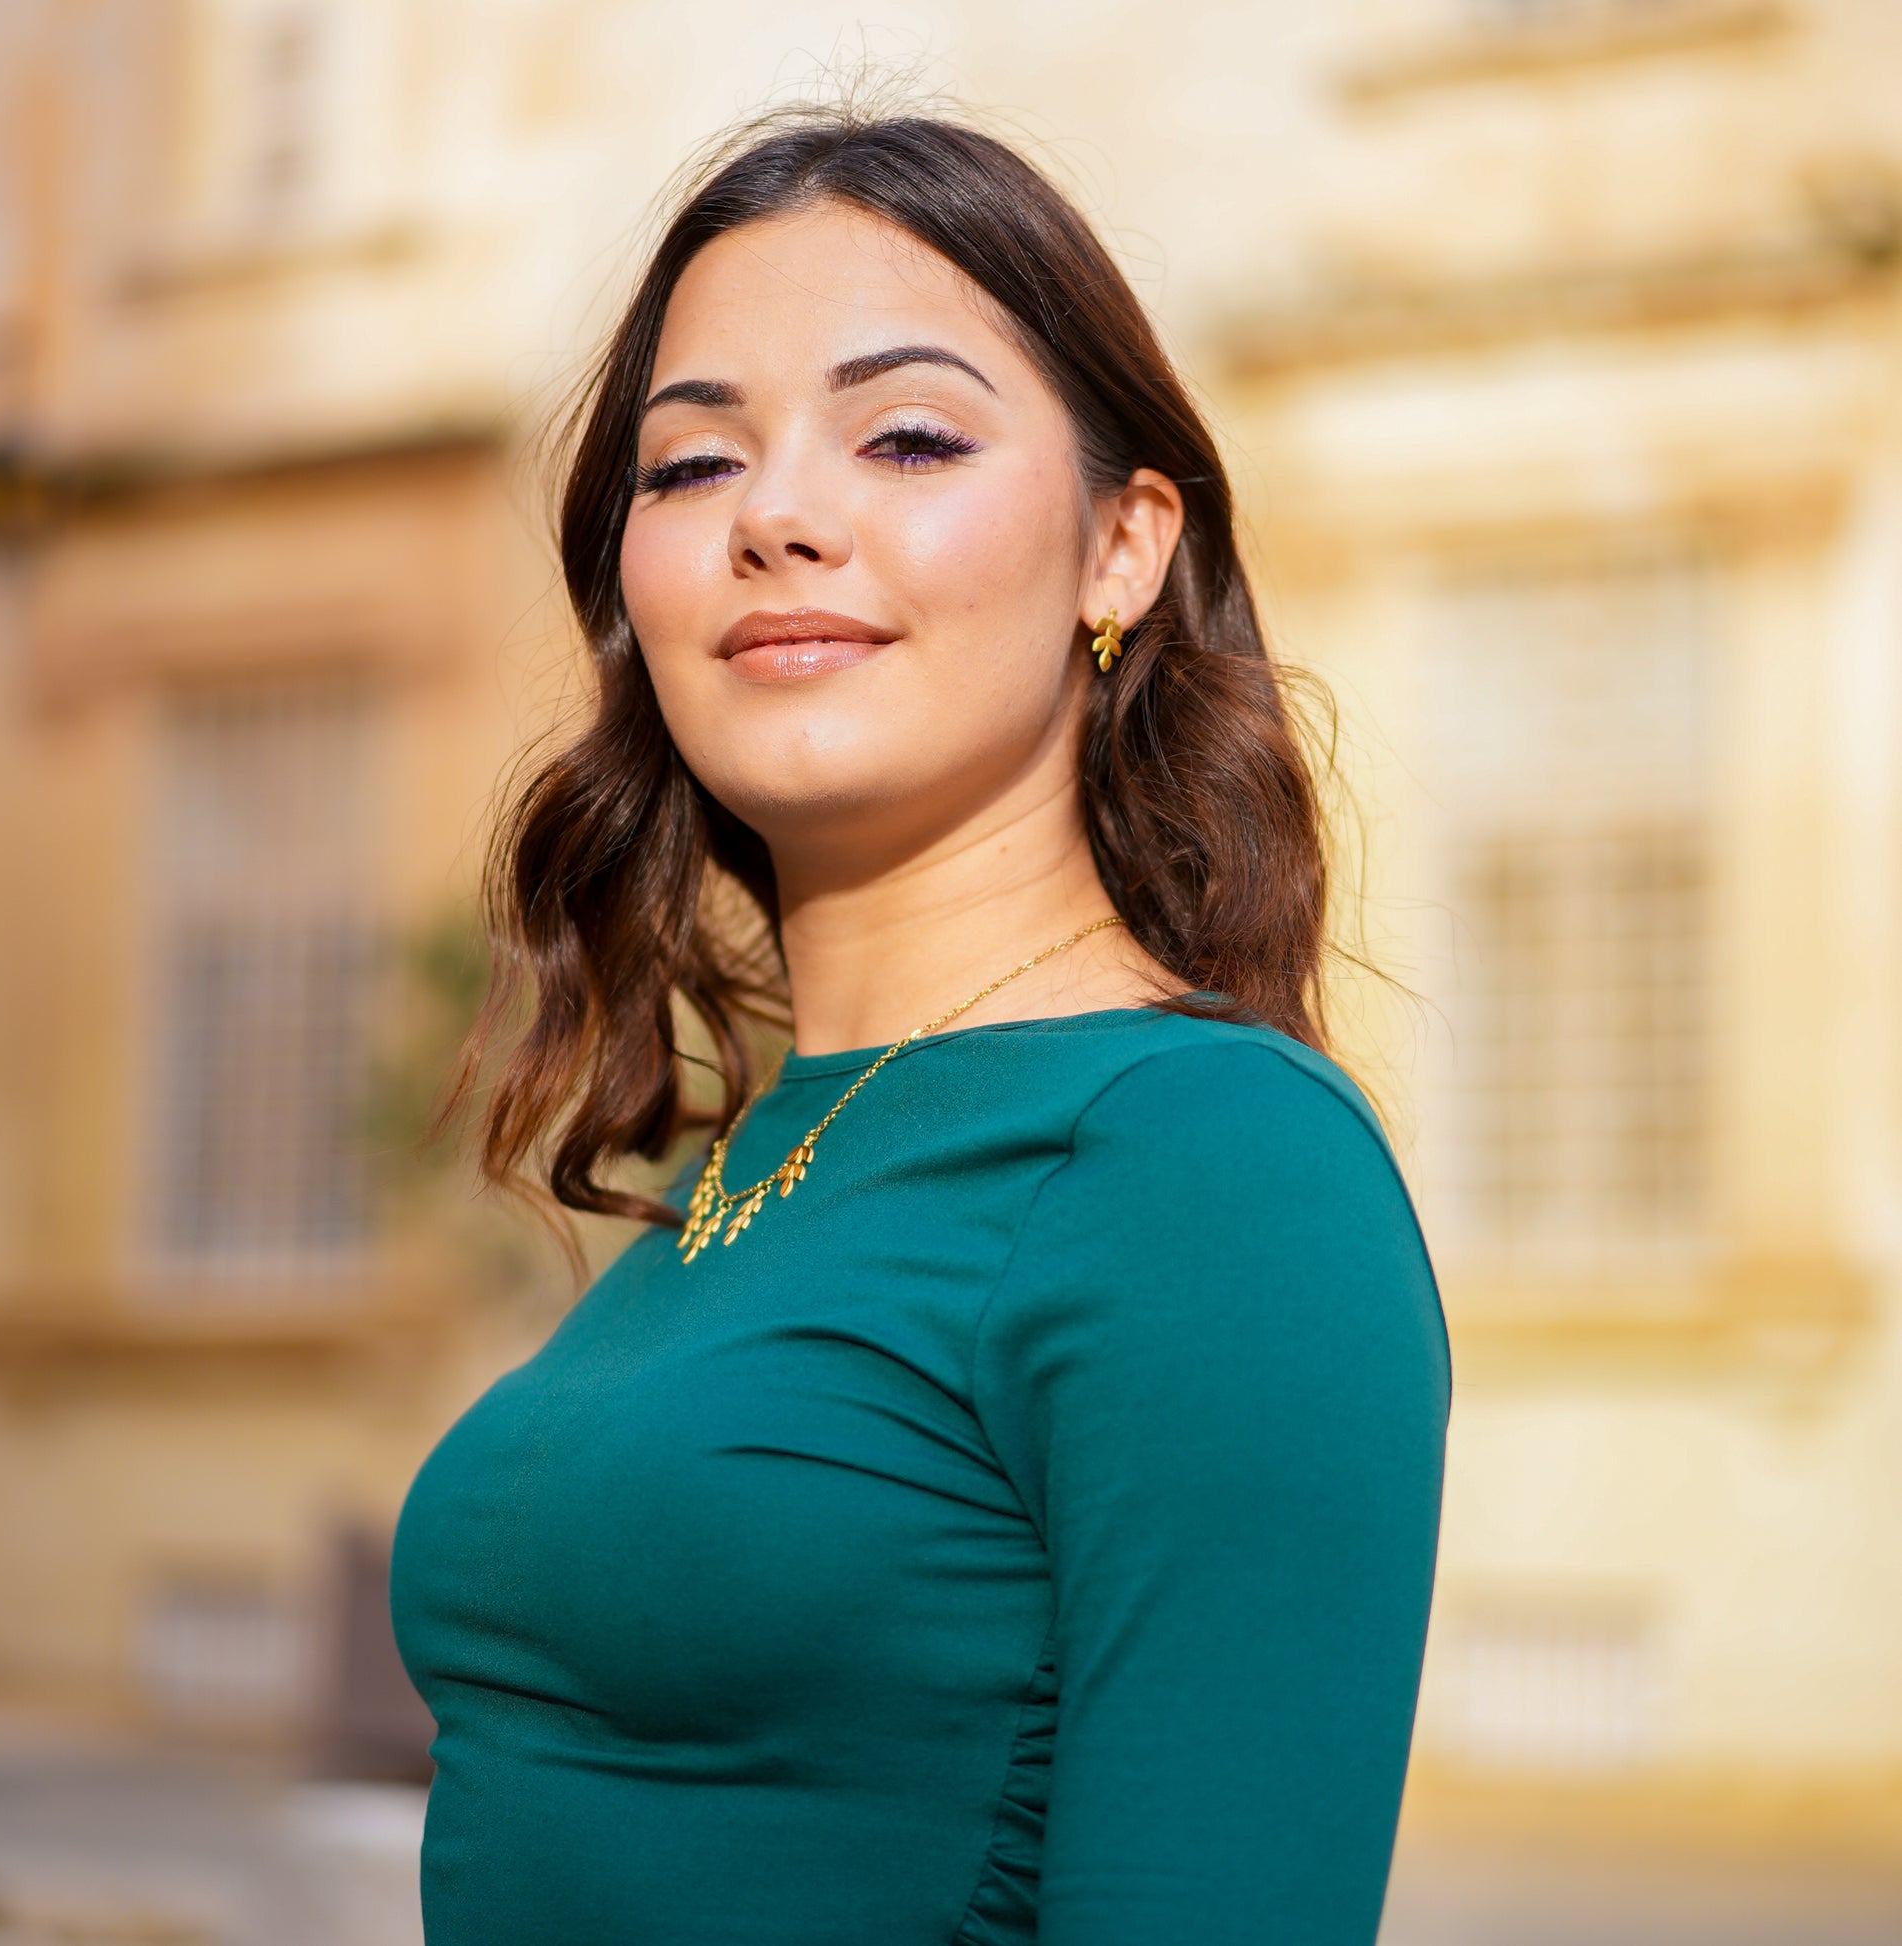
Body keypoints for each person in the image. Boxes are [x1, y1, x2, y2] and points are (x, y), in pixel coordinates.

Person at [390, 105, 1450, 1946]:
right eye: (692, 462)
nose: (780, 517)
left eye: (907, 436)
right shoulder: (767, 1147)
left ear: (1121, 550)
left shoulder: (1208, 1165)